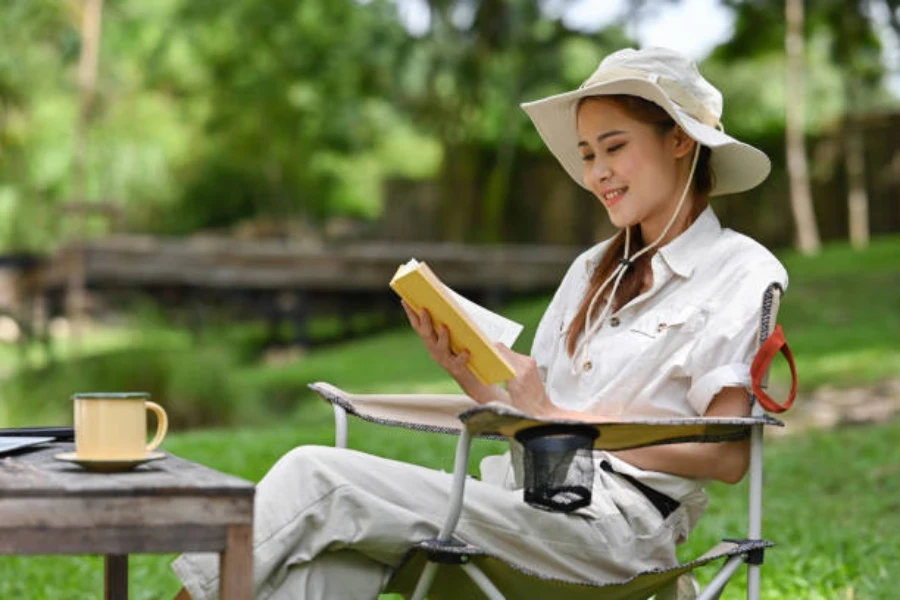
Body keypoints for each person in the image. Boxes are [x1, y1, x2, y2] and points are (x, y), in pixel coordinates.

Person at [171, 46, 787, 600]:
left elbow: (727, 455)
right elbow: (530, 413)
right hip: (517, 508)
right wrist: (469, 373)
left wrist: (562, 418)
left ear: (680, 139)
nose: (598, 173)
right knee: (311, 577)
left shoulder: (740, 271)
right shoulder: (591, 269)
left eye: (615, 147)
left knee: (316, 475)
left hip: (611, 535)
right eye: (588, 155)